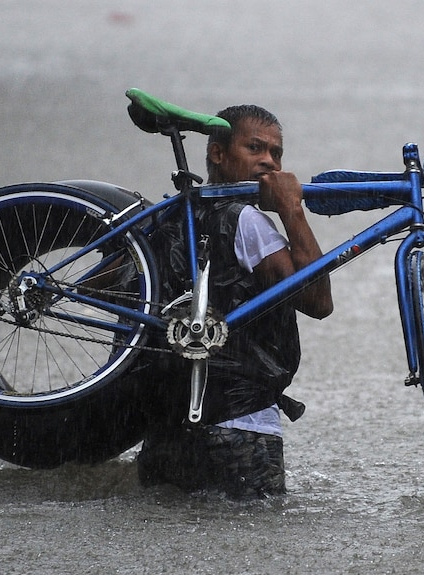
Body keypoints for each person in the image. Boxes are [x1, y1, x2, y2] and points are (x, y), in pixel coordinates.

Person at [137, 104, 333, 497]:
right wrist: (292, 209)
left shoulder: (166, 219)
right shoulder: (246, 220)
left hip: (163, 433)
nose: (268, 161)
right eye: (255, 148)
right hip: (241, 427)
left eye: (276, 153)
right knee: (258, 545)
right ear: (218, 154)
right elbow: (316, 300)